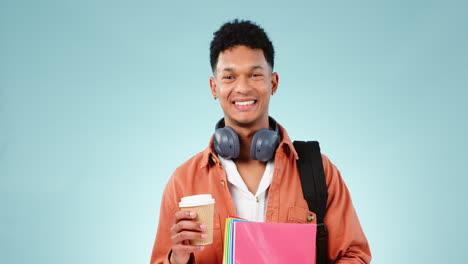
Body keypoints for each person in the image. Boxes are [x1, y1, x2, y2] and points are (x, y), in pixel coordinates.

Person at [151, 19, 371, 264]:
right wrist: (176, 259)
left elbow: (355, 256)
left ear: (273, 82)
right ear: (214, 87)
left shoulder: (318, 170)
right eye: (229, 77)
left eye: (255, 75)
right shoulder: (183, 182)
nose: (242, 88)